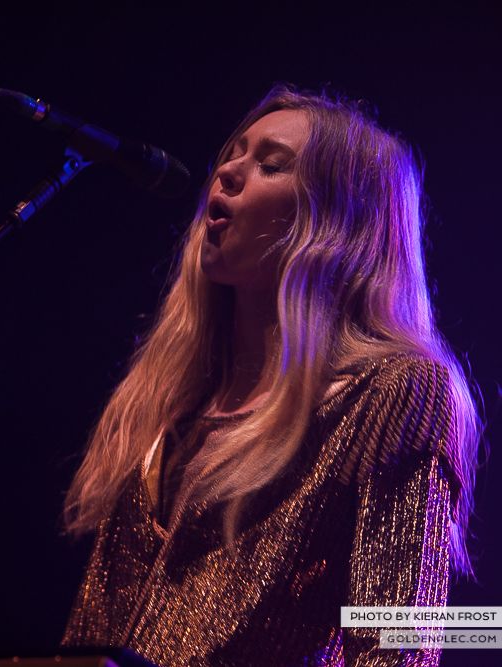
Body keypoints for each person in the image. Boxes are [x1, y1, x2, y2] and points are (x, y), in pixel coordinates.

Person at [59, 84, 482, 666]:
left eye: (270, 165)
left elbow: (403, 640)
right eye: (234, 152)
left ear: (338, 220)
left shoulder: (395, 392)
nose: (228, 171)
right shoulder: (170, 402)